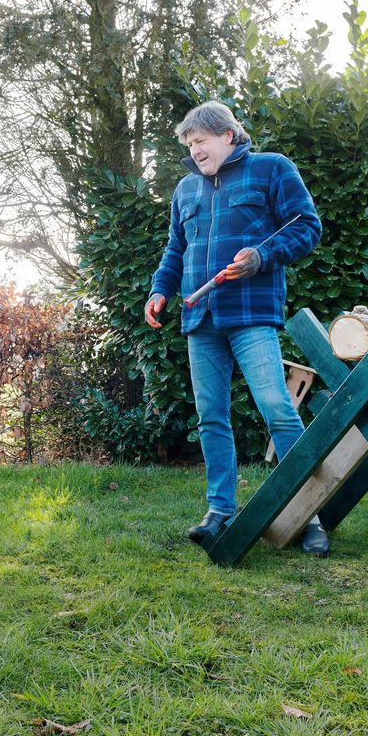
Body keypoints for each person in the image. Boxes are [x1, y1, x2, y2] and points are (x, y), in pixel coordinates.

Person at [144, 101, 329, 555]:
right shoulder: (186, 189)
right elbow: (175, 249)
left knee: (278, 409)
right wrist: (159, 290)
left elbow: (307, 226)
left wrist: (262, 257)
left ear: (228, 134)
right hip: (200, 319)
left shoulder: (271, 169)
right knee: (211, 417)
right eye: (189, 144)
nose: (195, 150)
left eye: (200, 141)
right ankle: (219, 511)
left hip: (250, 314)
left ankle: (308, 515)